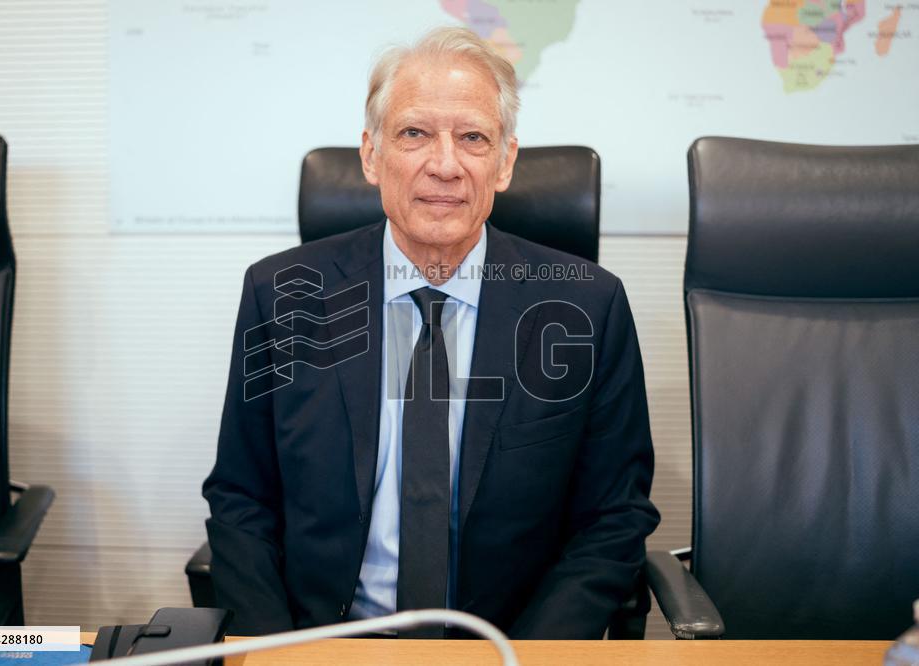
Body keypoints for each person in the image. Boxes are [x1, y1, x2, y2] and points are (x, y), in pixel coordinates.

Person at [203, 26, 659, 639]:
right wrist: (277, 652)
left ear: (504, 163)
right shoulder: (282, 295)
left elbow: (613, 519)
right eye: (414, 133)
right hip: (326, 645)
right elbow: (241, 499)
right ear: (371, 155)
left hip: (505, 648)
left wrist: (527, 657)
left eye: (472, 138)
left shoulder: (587, 306)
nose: (444, 165)